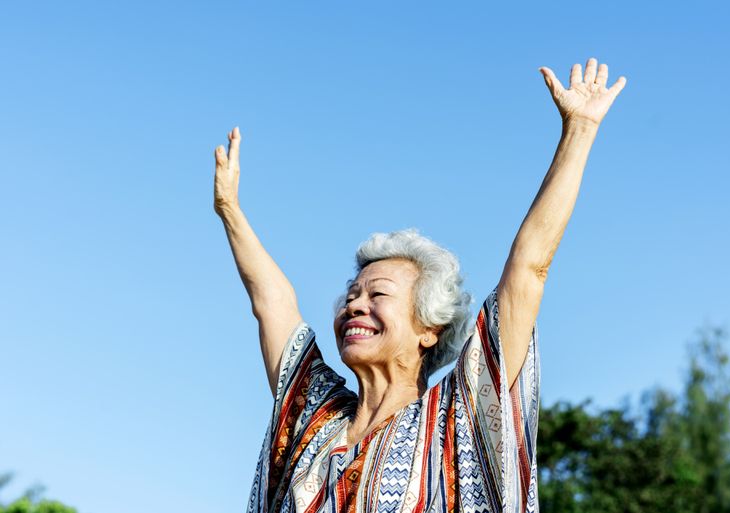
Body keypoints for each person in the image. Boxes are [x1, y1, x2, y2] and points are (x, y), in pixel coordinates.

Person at [213, 57, 626, 513]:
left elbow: (529, 269)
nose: (355, 306)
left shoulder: (459, 414)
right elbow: (271, 303)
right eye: (352, 295)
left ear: (429, 329)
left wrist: (579, 131)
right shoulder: (315, 419)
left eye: (378, 295)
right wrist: (230, 210)